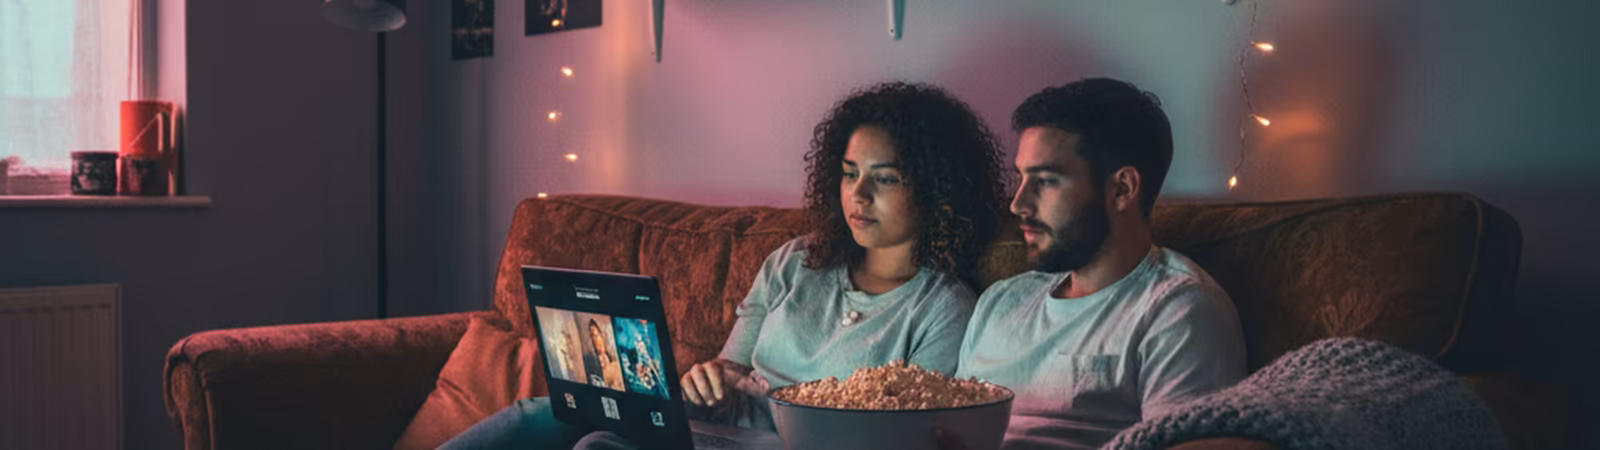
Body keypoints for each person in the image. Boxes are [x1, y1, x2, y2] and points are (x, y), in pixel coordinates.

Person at [439, 81, 1011, 449]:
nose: (857, 195)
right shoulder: (795, 261)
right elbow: (729, 377)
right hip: (716, 433)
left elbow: (900, 437)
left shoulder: (943, 310)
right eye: (848, 172)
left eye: (884, 179)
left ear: (939, 191)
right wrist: (711, 380)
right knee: (546, 416)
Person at [951, 78, 1247, 450]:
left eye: (1045, 181)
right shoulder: (999, 302)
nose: (1018, 204)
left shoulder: (1178, 311)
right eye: (1020, 178)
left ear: (1122, 189)